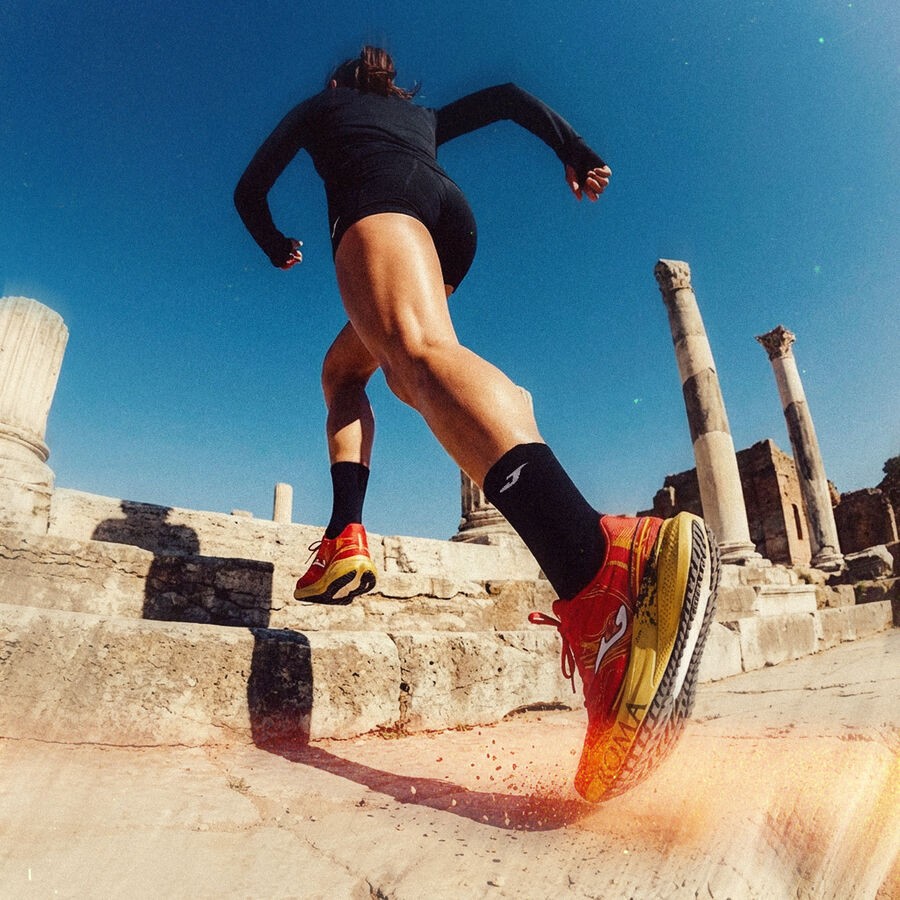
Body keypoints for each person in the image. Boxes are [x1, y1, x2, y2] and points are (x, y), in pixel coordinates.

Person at [235, 46, 719, 802]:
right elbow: (506, 97)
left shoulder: (323, 107)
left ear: (338, 85)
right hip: (446, 223)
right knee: (353, 373)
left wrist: (276, 245)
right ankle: (344, 535)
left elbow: (250, 190)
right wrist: (572, 148)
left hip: (381, 208)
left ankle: (601, 565)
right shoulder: (421, 118)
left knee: (419, 357)